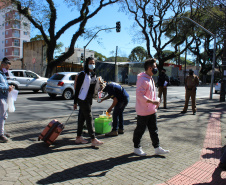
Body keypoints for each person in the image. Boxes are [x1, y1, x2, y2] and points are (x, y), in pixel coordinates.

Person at [133, 58, 170, 156]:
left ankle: (157, 148)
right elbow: (140, 95)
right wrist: (152, 101)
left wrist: (157, 100)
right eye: (155, 67)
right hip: (143, 111)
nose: (156, 68)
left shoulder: (150, 78)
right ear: (150, 68)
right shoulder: (142, 80)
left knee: (154, 130)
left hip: (152, 110)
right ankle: (136, 148)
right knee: (140, 130)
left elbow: (151, 93)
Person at [73, 57, 103, 147]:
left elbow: (94, 88)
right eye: (90, 63)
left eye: (93, 63)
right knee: (89, 118)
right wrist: (75, 102)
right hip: (82, 99)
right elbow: (77, 89)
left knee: (82, 118)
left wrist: (100, 86)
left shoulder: (93, 74)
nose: (92, 64)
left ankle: (78, 137)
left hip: (89, 99)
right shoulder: (82, 74)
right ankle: (93, 139)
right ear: (86, 64)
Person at [0, 57, 13, 143]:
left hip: (4, 97)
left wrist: (10, 87)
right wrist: (7, 87)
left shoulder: (3, 74)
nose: (7, 70)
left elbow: (4, 83)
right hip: (0, 97)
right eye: (7, 68)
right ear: (2, 65)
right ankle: (1, 135)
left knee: (4, 116)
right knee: (2, 116)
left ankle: (2, 131)